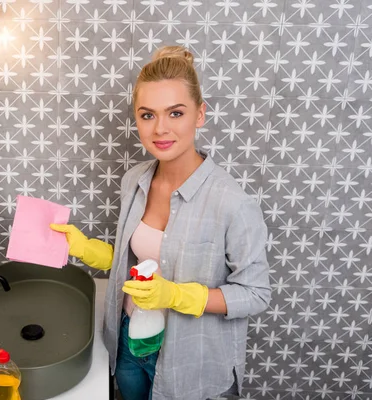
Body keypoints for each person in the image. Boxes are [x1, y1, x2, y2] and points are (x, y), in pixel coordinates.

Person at [51, 46, 271, 400]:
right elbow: (144, 263)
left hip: (188, 359)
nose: (161, 128)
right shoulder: (135, 179)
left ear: (200, 114)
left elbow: (256, 294)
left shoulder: (232, 202)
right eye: (147, 115)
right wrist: (92, 252)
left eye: (176, 112)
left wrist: (177, 295)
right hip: (129, 341)